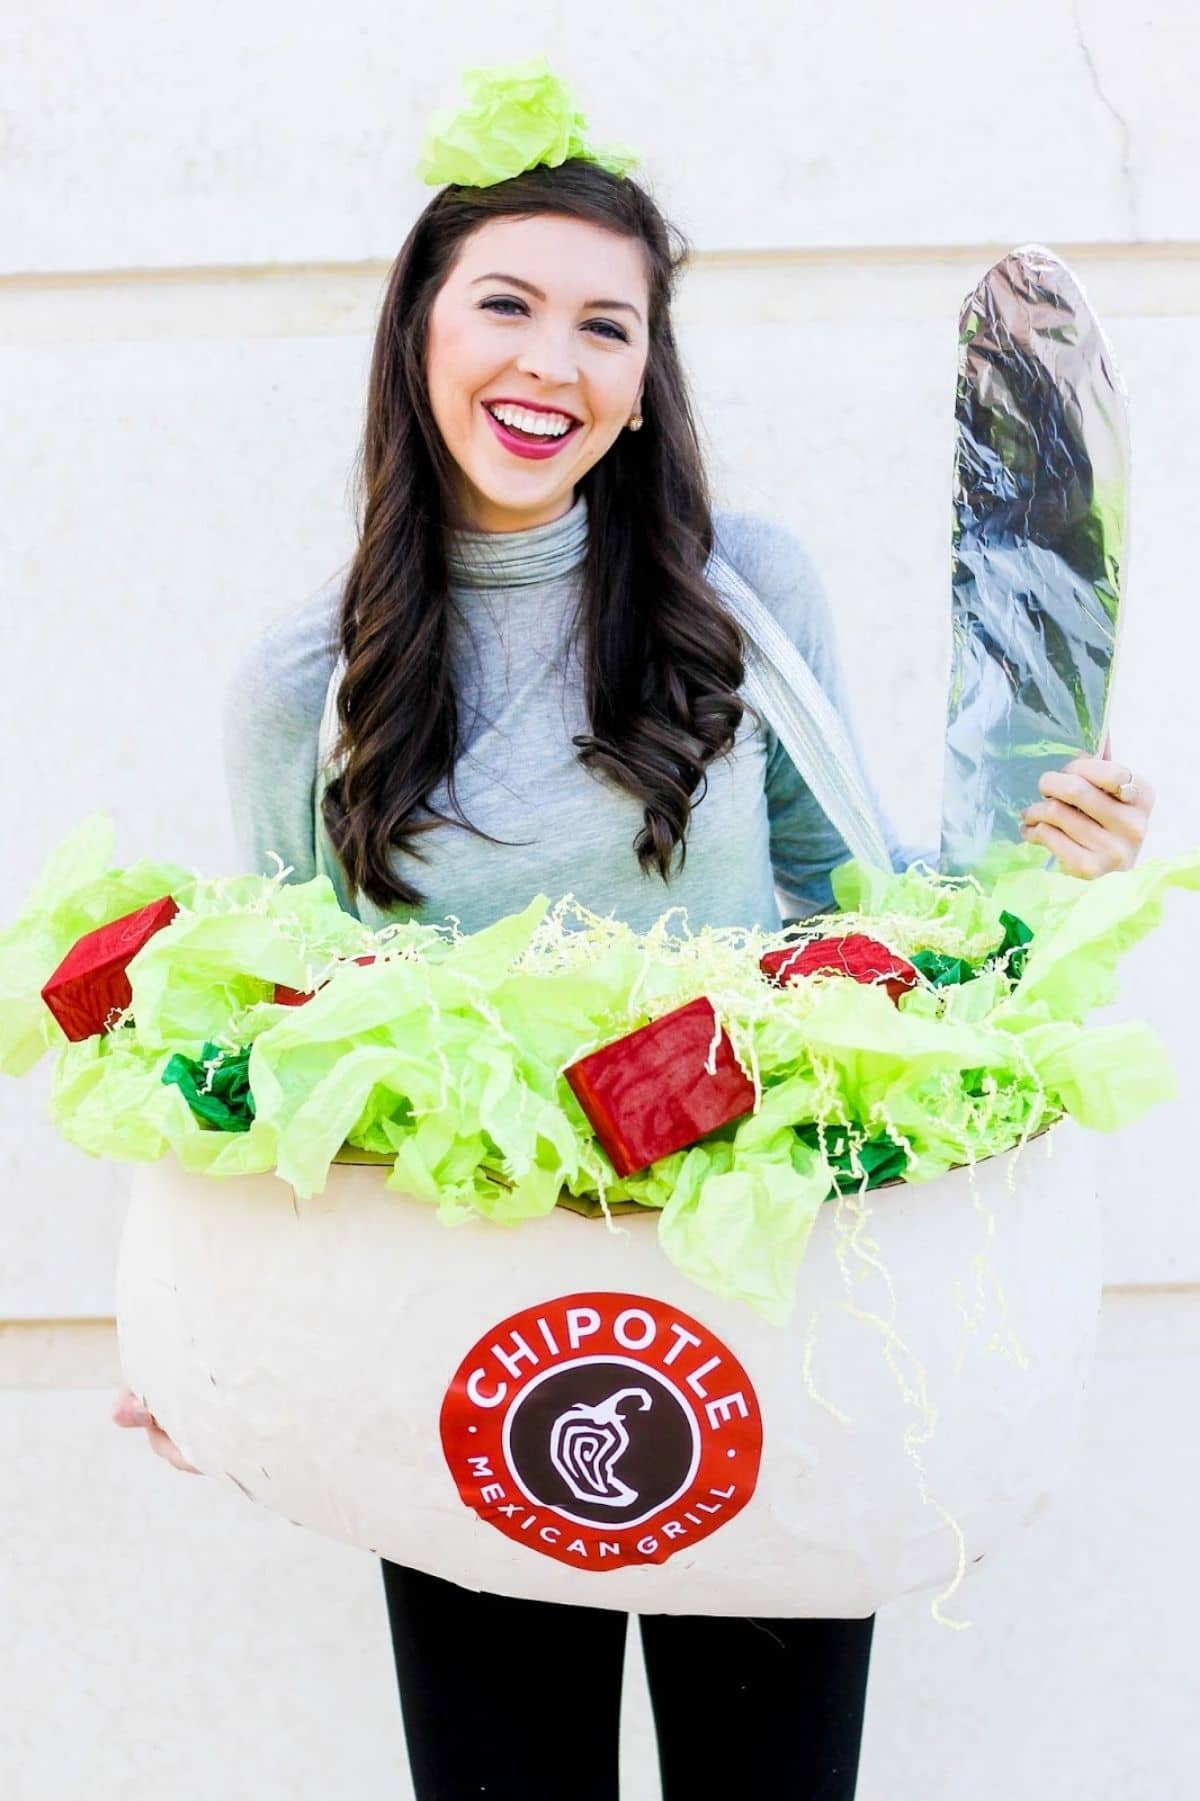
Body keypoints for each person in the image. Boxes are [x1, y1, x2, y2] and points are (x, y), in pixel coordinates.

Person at [113, 62, 1155, 1800]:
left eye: (608, 327)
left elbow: (856, 906)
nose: (553, 364)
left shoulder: (742, 587)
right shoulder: (304, 691)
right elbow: (272, 1035)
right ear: (418, 332)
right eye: (506, 305)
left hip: (769, 1324)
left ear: (645, 374)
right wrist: (197, 1309)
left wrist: (1051, 857)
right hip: (469, 1343)